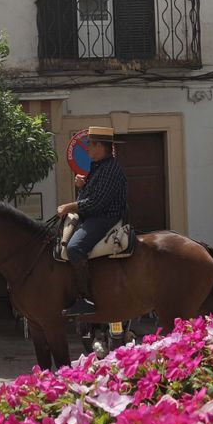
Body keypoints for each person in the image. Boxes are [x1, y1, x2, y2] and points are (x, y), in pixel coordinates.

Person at [56, 126, 128, 316]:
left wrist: (68, 207)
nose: (87, 149)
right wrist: (82, 186)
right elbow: (89, 197)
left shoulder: (110, 170)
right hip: (94, 215)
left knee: (74, 248)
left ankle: (85, 299)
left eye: (90, 145)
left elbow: (96, 203)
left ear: (100, 146)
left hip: (103, 218)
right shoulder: (99, 168)